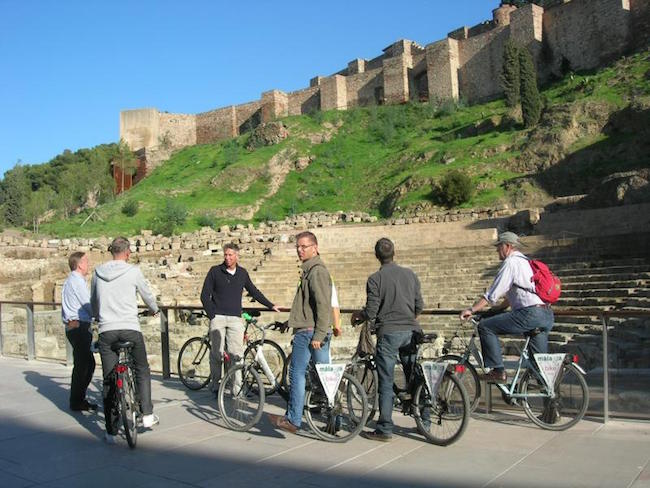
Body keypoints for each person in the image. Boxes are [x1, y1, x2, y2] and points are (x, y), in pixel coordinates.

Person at [352, 237, 424, 442]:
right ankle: (424, 420)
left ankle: (384, 428)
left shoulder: (375, 279)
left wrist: (361, 315)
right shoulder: (410, 275)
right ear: (394, 253)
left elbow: (372, 311)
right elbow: (419, 305)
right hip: (411, 331)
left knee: (386, 380)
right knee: (414, 377)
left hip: (389, 333)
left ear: (377, 256)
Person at [459, 231, 554, 382]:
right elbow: (511, 298)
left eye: (499, 247)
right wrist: (495, 311)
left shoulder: (511, 262)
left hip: (530, 314)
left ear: (508, 246)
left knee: (485, 327)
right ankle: (550, 396)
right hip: (546, 314)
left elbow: (493, 293)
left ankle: (498, 371)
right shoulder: (527, 262)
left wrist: (472, 310)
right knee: (540, 366)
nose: (497, 250)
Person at [91, 237, 160, 444]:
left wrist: (97, 315)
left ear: (111, 251)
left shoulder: (97, 273)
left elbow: (94, 300)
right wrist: (154, 309)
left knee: (108, 379)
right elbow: (147, 295)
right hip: (130, 328)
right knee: (141, 369)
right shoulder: (133, 272)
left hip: (107, 331)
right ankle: (147, 414)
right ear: (128, 252)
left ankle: (111, 431)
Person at [267, 231, 333, 434]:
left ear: (315, 247)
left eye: (304, 246)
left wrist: (320, 334)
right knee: (324, 376)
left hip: (310, 333)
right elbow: (308, 307)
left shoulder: (316, 271)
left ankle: (293, 419)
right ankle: (334, 420)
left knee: (297, 374)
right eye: (298, 246)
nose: (300, 250)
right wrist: (290, 322)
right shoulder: (310, 270)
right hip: (309, 329)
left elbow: (323, 305)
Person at [200, 243, 280, 395]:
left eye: (230, 255)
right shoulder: (215, 271)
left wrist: (270, 305)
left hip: (235, 318)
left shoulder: (242, 273)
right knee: (217, 354)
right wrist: (212, 315)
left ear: (237, 256)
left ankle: (237, 389)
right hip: (218, 318)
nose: (228, 258)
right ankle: (215, 385)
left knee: (236, 355)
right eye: (226, 255)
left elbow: (254, 292)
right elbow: (205, 295)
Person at [61, 251, 97, 412]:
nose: (88, 264)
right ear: (80, 264)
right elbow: (87, 304)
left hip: (73, 326)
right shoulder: (77, 281)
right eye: (86, 261)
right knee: (84, 365)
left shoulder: (70, 280)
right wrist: (99, 315)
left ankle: (78, 399)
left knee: (85, 364)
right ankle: (77, 401)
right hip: (79, 326)